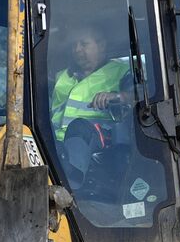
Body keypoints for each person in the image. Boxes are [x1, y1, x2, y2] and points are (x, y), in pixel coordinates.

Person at [49, 22, 131, 186]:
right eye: (74, 45)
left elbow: (139, 94)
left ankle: (71, 182)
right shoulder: (60, 77)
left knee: (79, 126)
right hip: (58, 143)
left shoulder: (121, 72)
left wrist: (117, 96)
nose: (77, 49)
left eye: (83, 44)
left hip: (101, 141)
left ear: (101, 45)